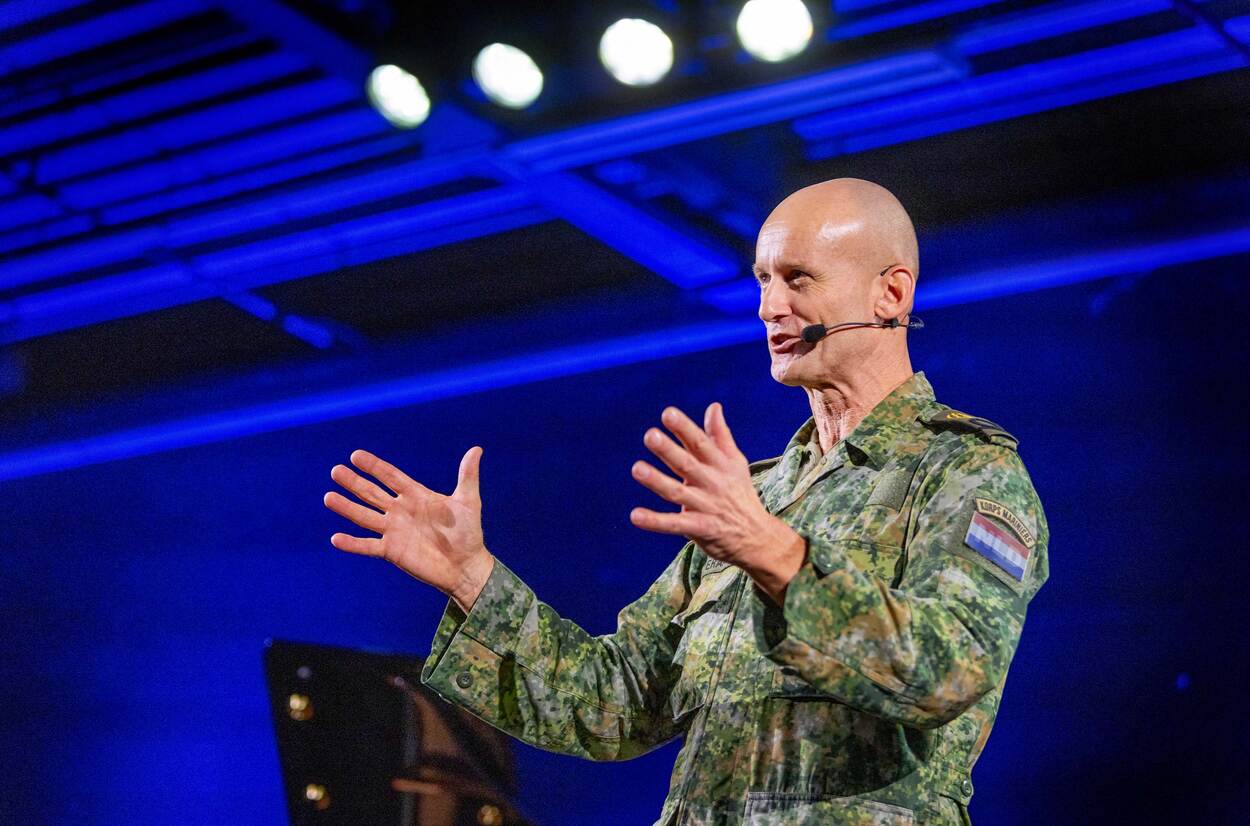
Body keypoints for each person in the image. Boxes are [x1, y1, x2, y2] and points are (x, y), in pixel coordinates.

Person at [323, 178, 1049, 825]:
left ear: (890, 294)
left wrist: (774, 554)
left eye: (799, 278)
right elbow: (612, 703)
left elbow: (947, 670)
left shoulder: (964, 470)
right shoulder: (757, 495)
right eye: (763, 279)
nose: (770, 307)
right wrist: (472, 579)